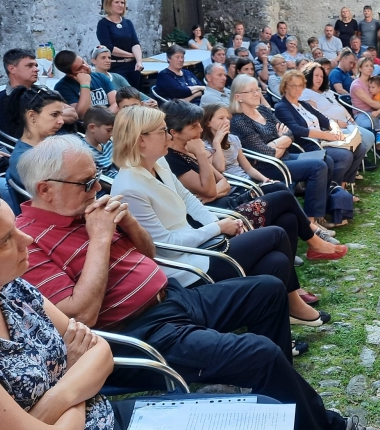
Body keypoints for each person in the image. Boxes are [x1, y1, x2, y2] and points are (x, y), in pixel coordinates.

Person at [13, 140, 380, 430]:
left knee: (267, 289)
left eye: (97, 178)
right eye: (86, 183)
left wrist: (127, 223)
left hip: (172, 298)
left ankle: (276, 399)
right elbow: (81, 317)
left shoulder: (84, 211)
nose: (97, 188)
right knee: (260, 353)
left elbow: (148, 254)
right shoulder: (30, 243)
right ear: (46, 190)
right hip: (136, 332)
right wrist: (99, 238)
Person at [111, 107, 337, 324]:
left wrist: (219, 225)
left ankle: (284, 314)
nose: (168, 136)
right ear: (142, 140)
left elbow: (189, 199)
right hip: (187, 267)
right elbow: (165, 245)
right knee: (276, 234)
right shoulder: (129, 188)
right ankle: (295, 302)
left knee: (276, 258)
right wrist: (218, 228)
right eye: (162, 131)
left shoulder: (158, 163)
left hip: (203, 245)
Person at [0, 190, 118, 430]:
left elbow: (100, 351)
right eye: (5, 241)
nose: (27, 239)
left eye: (16, 227)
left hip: (109, 420)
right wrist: (74, 377)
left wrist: (55, 400)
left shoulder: (12, 289)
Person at [201, 102, 347, 265]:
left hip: (249, 182)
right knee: (280, 190)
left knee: (285, 207)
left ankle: (289, 253)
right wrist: (217, 143)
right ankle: (314, 234)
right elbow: (219, 168)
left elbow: (248, 168)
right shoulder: (204, 146)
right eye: (221, 118)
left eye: (227, 118)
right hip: (236, 189)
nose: (226, 121)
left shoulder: (233, 139)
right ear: (208, 122)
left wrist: (264, 179)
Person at [229, 75, 336, 230]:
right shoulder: (239, 121)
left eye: (257, 89)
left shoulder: (263, 110)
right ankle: (310, 222)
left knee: (327, 160)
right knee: (318, 167)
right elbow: (264, 153)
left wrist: (277, 144)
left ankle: (318, 216)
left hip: (282, 157)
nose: (256, 93)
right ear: (238, 97)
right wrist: (281, 142)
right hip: (266, 167)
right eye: (250, 91)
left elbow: (289, 133)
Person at [274, 71, 367, 188]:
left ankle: (343, 184)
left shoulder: (304, 104)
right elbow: (296, 130)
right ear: (285, 86)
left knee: (360, 148)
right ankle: (333, 188)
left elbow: (326, 120)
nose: (297, 89)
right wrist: (326, 135)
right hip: (307, 145)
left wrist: (335, 129)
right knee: (345, 155)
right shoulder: (281, 107)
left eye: (300, 85)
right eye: (294, 86)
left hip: (322, 141)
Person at [0, 49, 77, 139]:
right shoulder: (5, 99)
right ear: (12, 69)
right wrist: (54, 115)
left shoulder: (43, 91)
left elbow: (73, 114)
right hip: (43, 146)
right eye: (30, 66)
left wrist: (49, 116)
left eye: (36, 65)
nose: (36, 69)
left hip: (68, 139)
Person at [300, 62, 376, 158]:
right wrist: (335, 122)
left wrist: (349, 118)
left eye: (322, 76)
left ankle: (358, 159)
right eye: (316, 75)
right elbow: (315, 115)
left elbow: (338, 106)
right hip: (330, 127)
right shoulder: (306, 93)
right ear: (308, 76)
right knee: (357, 139)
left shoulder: (326, 91)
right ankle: (355, 160)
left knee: (369, 137)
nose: (319, 78)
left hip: (346, 123)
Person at [5, 87, 67, 194]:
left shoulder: (50, 146)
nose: (61, 121)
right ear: (32, 116)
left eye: (61, 115)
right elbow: (52, 198)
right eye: (54, 115)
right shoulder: (24, 160)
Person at [96, 0, 144, 88]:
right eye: (116, 2)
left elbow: (135, 43)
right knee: (121, 95)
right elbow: (109, 47)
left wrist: (139, 61)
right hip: (116, 68)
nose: (120, 5)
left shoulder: (128, 23)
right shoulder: (103, 24)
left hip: (132, 67)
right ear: (109, 4)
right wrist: (131, 55)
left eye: (122, 3)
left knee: (135, 94)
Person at [53, 50, 117, 118]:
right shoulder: (62, 87)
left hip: (109, 118)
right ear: (70, 74)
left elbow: (116, 103)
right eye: (80, 68)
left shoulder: (101, 77)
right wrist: (85, 84)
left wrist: (104, 119)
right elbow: (81, 114)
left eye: (83, 62)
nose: (86, 67)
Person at [90, 46, 156, 106]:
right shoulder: (90, 79)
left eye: (109, 58)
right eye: (103, 58)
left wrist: (148, 99)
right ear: (93, 61)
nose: (108, 61)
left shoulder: (117, 77)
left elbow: (131, 91)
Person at [81, 106, 118, 178]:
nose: (112, 134)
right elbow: (99, 179)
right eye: (108, 130)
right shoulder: (85, 153)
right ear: (92, 128)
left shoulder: (108, 144)